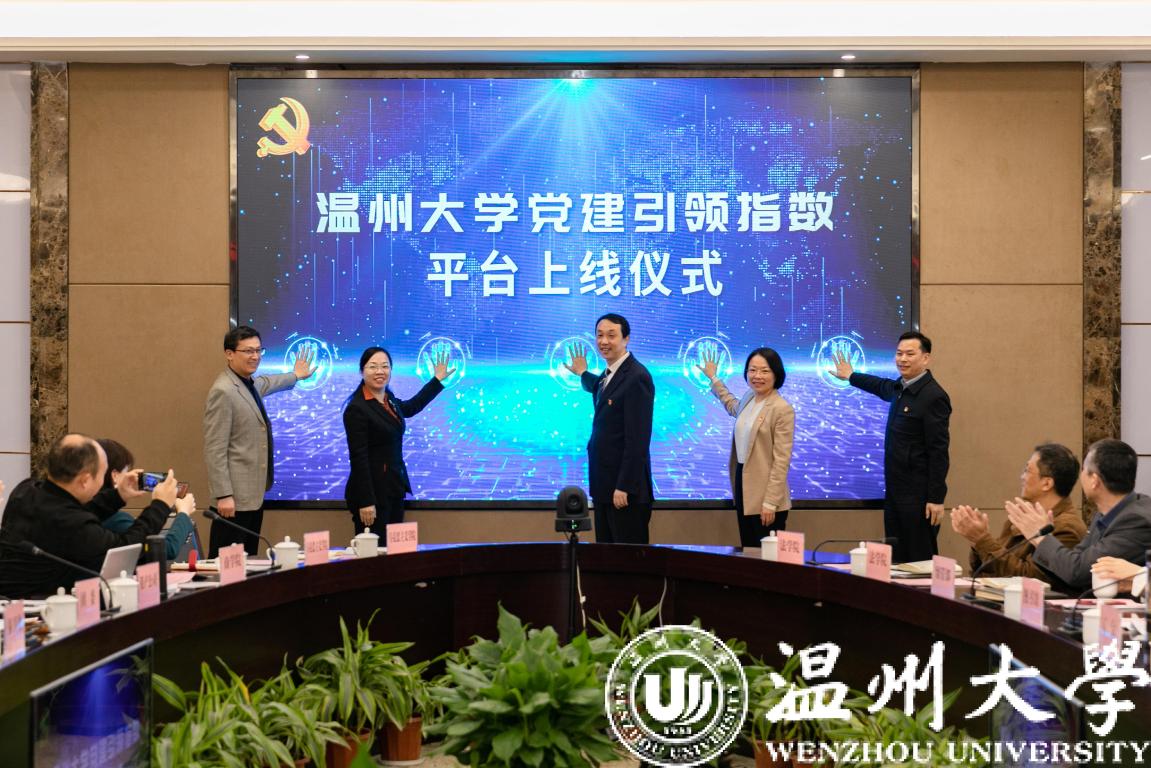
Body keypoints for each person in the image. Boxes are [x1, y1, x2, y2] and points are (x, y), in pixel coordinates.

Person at [0, 434, 178, 599]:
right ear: (85, 480)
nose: (102, 482)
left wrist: (119, 495)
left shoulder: (26, 490)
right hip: (40, 610)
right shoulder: (72, 523)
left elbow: (72, 512)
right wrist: (160, 506)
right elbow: (124, 549)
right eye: (102, 474)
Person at [831, 331, 951, 563]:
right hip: (895, 491)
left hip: (918, 497)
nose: (902, 359)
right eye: (899, 353)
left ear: (926, 358)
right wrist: (852, 376)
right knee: (896, 557)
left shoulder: (933, 396)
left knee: (919, 559)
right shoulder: (900, 387)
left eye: (910, 354)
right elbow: (880, 385)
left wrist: (936, 498)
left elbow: (939, 452)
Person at [203, 325, 316, 557]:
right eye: (248, 351)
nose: (255, 356)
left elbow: (267, 382)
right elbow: (215, 449)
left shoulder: (247, 382)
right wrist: (223, 495)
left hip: (251, 496)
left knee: (246, 560)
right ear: (229, 353)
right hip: (233, 500)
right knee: (226, 563)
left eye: (258, 350)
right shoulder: (223, 391)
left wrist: (296, 375)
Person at [1009, 438, 1151, 593]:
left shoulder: (1136, 521)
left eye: (1083, 470)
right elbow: (1076, 559)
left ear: (1094, 481)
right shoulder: (1106, 513)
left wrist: (1041, 538)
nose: (1080, 476)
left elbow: (1079, 571)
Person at [343, 345, 453, 535]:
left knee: (393, 550)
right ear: (362, 371)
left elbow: (410, 407)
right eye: (373, 366)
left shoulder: (388, 399)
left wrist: (437, 380)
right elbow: (358, 458)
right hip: (373, 496)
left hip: (393, 487)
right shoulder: (357, 409)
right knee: (373, 550)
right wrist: (366, 501)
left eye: (385, 366)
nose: (380, 371)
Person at [565, 313, 655, 544]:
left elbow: (638, 439)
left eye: (611, 335)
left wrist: (624, 486)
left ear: (626, 339)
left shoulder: (637, 377)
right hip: (605, 487)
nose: (604, 341)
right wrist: (582, 373)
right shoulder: (610, 375)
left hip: (624, 493)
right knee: (605, 556)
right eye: (599, 335)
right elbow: (599, 389)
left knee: (627, 558)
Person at [699, 345, 795, 548]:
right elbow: (731, 405)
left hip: (766, 492)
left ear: (776, 374)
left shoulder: (782, 409)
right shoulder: (749, 398)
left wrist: (770, 502)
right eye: (752, 370)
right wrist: (714, 378)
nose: (757, 376)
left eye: (764, 371)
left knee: (767, 555)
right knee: (749, 549)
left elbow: (781, 461)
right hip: (743, 483)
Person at [950, 443, 1086, 578]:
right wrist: (976, 540)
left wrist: (982, 539)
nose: (1022, 477)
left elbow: (1029, 578)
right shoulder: (1023, 516)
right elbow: (989, 568)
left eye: (1027, 470)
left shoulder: (1067, 528)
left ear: (1046, 483)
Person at [97, 438, 198, 561]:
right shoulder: (116, 519)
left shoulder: (84, 511)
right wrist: (183, 513)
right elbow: (167, 549)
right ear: (115, 476)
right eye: (126, 471)